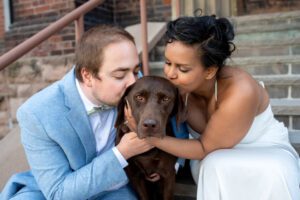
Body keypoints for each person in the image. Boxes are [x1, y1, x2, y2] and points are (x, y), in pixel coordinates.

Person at [129, 15, 300, 199]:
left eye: (183, 69)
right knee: (214, 163)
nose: (170, 74)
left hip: (264, 149)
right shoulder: (177, 89)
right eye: (168, 63)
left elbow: (204, 147)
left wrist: (149, 137)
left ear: (210, 71)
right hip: (210, 158)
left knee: (270, 171)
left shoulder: (241, 90)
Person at [1, 25, 154, 200]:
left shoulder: (135, 83)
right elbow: (58, 192)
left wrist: (175, 165)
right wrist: (122, 153)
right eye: (120, 76)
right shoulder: (37, 113)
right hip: (55, 190)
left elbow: (169, 109)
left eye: (135, 71)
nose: (133, 83)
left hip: (114, 188)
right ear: (87, 76)